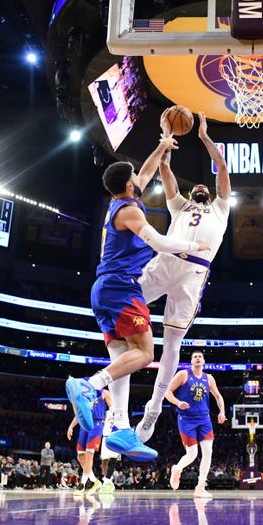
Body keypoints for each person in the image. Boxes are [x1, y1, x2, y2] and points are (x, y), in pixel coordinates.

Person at [65, 132, 208, 462]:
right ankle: (90, 386)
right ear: (128, 186)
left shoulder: (122, 199)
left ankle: (119, 429)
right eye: (134, 179)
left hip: (105, 289)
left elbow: (144, 173)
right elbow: (158, 242)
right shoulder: (129, 211)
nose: (139, 180)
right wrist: (193, 246)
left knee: (123, 362)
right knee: (145, 352)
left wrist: (161, 145)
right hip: (120, 288)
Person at [134, 109, 231, 443]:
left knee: (172, 343)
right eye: (197, 186)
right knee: (122, 303)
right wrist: (165, 143)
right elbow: (165, 173)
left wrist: (204, 137)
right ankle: (116, 377)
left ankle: (155, 407)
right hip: (167, 258)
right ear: (191, 194)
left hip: (194, 273)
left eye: (204, 186)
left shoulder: (220, 208)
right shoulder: (179, 205)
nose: (201, 186)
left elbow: (222, 170)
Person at [165, 350, 227, 499]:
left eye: (200, 357)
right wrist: (178, 402)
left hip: (204, 419)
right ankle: (177, 468)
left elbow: (218, 396)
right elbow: (167, 392)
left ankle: (200, 487)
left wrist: (222, 412)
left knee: (208, 452)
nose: (198, 358)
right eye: (195, 357)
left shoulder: (209, 378)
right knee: (192, 454)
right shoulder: (183, 375)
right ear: (191, 361)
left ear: (203, 361)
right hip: (187, 419)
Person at [67, 389, 112, 494]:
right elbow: (80, 413)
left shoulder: (104, 393)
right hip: (84, 424)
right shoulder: (84, 394)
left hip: (96, 424)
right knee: (80, 455)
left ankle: (82, 485)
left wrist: (110, 424)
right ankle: (95, 481)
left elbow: (113, 410)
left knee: (89, 455)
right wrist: (71, 427)